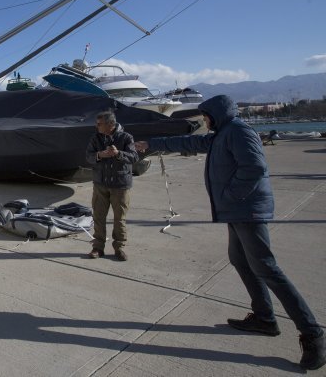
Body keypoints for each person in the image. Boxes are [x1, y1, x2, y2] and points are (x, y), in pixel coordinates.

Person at [135, 95, 324, 370]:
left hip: (247, 211)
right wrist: (151, 144)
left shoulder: (238, 132)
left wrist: (231, 195)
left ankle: (313, 334)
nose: (204, 121)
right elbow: (191, 142)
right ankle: (264, 318)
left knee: (267, 268)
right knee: (240, 260)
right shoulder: (223, 133)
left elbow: (255, 167)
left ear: (217, 114)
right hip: (238, 211)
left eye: (206, 116)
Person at [85, 110, 139, 261]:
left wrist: (118, 154)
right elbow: (88, 156)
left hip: (120, 185)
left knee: (119, 218)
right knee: (98, 217)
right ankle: (97, 248)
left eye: (99, 124)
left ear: (110, 124)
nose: (97, 127)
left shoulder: (126, 137)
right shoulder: (96, 139)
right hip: (100, 184)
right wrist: (99, 155)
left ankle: (119, 247)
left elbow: (134, 157)